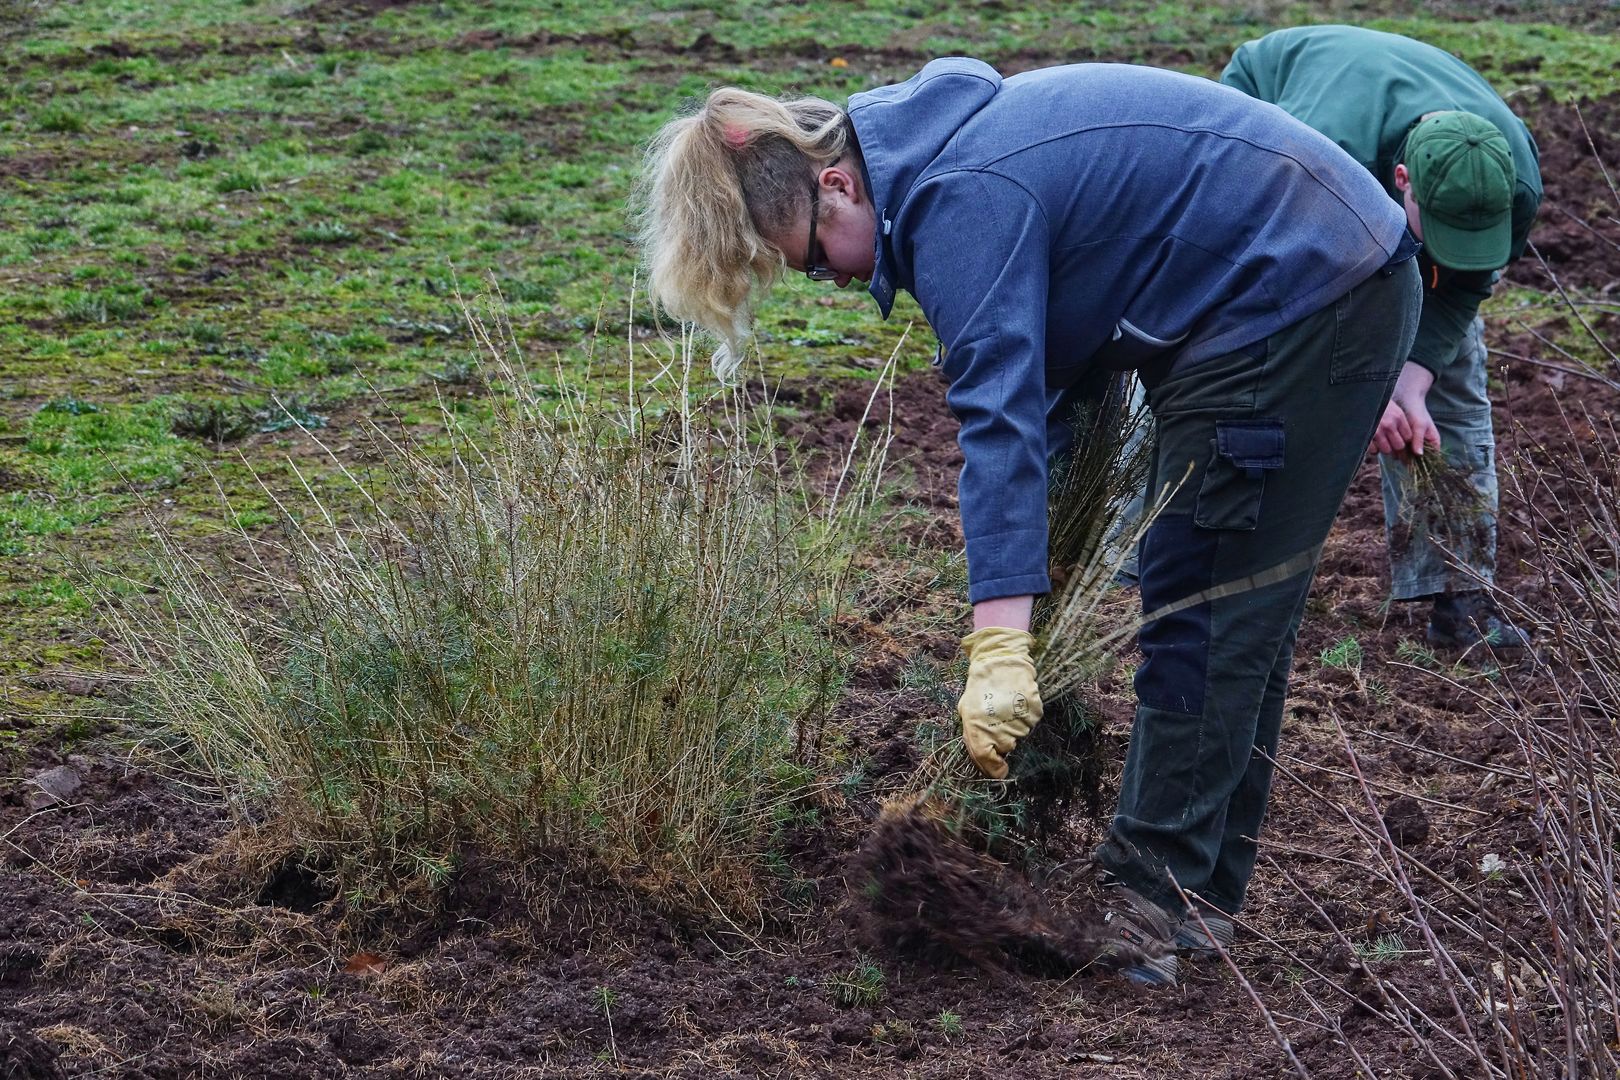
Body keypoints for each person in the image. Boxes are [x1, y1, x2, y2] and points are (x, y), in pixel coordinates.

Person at [636, 58, 1420, 985]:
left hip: (1302, 297)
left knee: (1204, 606)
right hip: (1306, 285)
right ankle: (1198, 904)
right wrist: (1020, 591)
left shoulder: (960, 197)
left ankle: (1148, 902)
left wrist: (1000, 645)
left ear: (837, 185)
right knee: (1227, 602)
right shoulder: (938, 164)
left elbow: (999, 422)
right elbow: (1048, 394)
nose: (821, 281)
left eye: (804, 256)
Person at [1223, 25, 1541, 650]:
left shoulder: (1513, 177)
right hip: (1273, 103)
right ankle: (1167, 565)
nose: (1453, 250)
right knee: (1229, 360)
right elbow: (1291, 301)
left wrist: (1412, 382)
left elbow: (1465, 286)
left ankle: (1461, 603)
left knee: (1452, 384)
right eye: (1440, 228)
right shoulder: (1316, 157)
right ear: (1401, 179)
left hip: (1378, 146)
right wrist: (1366, 396)